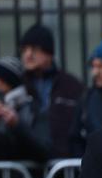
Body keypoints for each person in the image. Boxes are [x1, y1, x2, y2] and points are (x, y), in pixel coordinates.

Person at [19, 24, 84, 160]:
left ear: (49, 53)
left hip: (64, 164)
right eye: (24, 50)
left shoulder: (71, 85)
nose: (28, 55)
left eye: (35, 49)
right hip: (26, 162)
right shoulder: (17, 83)